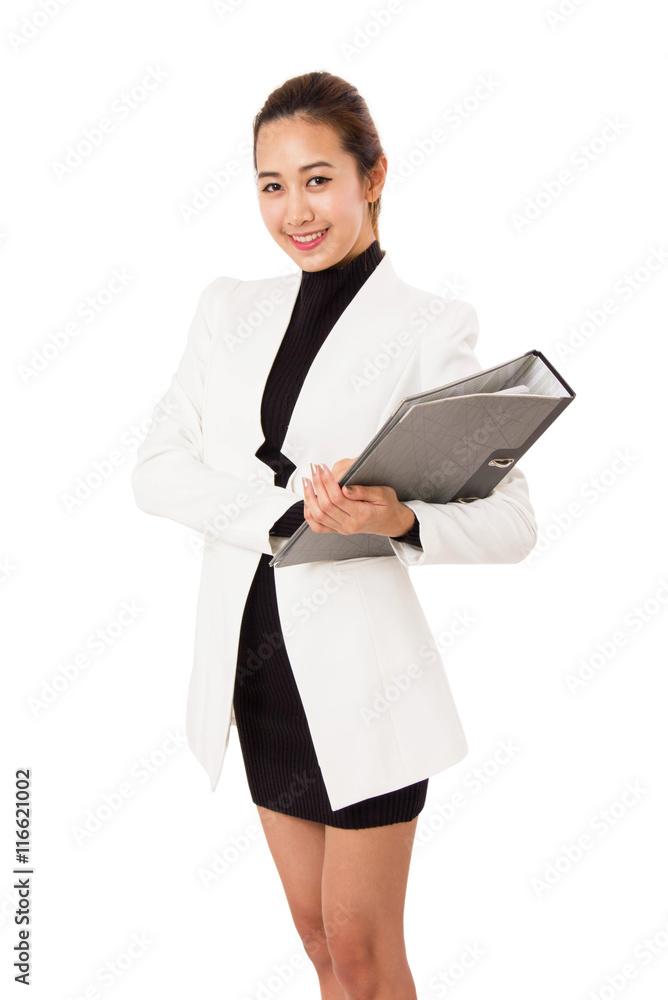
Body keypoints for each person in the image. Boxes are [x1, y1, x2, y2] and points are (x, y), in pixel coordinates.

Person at [131, 70, 537, 1000]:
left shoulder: (432, 328)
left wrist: (398, 518)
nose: (295, 210)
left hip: (366, 689)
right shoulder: (226, 309)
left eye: (319, 179)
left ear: (373, 176)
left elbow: (513, 519)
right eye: (272, 185)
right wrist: (284, 517)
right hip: (256, 670)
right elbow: (155, 471)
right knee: (316, 944)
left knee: (361, 950)